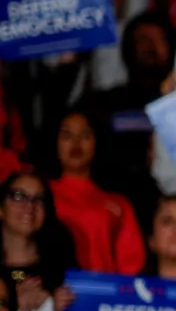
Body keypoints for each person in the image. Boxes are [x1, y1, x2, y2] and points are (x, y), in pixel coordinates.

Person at [47, 109, 145, 276]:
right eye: (67, 135)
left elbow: (131, 269)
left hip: (102, 290)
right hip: (48, 288)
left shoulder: (118, 204)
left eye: (85, 135)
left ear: (97, 142)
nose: (76, 143)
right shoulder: (38, 195)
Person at [0, 173, 77, 311]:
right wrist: (13, 308)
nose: (29, 206)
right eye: (19, 196)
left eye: (38, 199)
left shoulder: (62, 265)